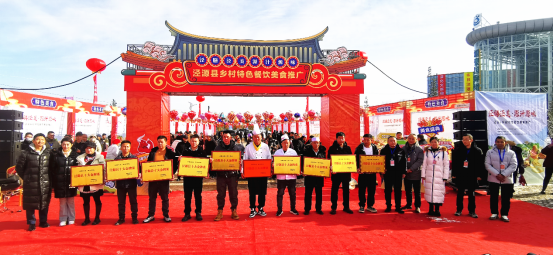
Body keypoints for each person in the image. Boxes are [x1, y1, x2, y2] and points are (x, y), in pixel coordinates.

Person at [15, 133, 52, 231]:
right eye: (38, 139)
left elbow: (52, 168)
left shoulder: (48, 153)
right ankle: (31, 223)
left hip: (45, 182)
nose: (40, 141)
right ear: (34, 141)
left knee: (44, 202)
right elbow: (19, 168)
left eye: (42, 139)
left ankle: (43, 221)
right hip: (31, 183)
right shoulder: (26, 153)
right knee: (30, 204)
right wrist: (27, 177)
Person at [144, 135, 178, 223]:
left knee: (165, 198)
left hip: (164, 179)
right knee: (152, 198)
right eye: (158, 142)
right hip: (153, 179)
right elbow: (148, 163)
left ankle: (166, 215)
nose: (160, 144)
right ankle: (151, 215)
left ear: (166, 143)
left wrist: (172, 174)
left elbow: (174, 165)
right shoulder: (153, 151)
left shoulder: (170, 153)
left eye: (162, 142)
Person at [485, 136, 518, 222]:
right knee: (493, 196)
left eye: (501, 142)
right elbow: (487, 164)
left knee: (506, 197)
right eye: (498, 142)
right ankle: (494, 213)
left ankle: (504, 214)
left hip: (506, 178)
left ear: (505, 143)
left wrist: (503, 174)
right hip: (493, 177)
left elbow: (513, 165)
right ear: (495, 142)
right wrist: (497, 174)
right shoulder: (490, 152)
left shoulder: (511, 153)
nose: (500, 143)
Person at [452, 134, 485, 218]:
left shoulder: (477, 150)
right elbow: (455, 163)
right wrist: (454, 174)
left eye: (466, 139)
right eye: (463, 139)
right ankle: (459, 210)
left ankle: (472, 211)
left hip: (472, 174)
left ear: (471, 140)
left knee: (471, 193)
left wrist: (479, 175)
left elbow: (480, 164)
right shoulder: (458, 150)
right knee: (460, 192)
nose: (464, 141)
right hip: (461, 174)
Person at [212, 130, 242, 221]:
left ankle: (234, 210)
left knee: (233, 194)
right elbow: (215, 160)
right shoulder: (218, 148)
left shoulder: (236, 148)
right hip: (221, 175)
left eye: (227, 137)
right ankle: (220, 211)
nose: (225, 138)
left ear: (231, 137)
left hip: (232, 175)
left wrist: (239, 163)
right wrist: (212, 161)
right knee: (220, 194)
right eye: (224, 137)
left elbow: (239, 160)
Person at [243, 126, 271, 218]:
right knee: (252, 191)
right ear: (252, 137)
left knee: (262, 191)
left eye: (258, 136)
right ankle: (252, 209)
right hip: (252, 174)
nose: (257, 138)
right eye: (255, 137)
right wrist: (243, 171)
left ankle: (261, 207)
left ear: (261, 137)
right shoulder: (248, 147)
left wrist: (270, 170)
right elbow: (245, 159)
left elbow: (269, 159)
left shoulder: (266, 146)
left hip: (263, 174)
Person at [76, 141, 106, 226]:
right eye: (87, 148)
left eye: (90, 148)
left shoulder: (100, 157)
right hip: (85, 183)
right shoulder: (80, 158)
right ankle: (87, 218)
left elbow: (103, 169)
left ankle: (97, 218)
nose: (89, 150)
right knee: (86, 201)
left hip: (96, 183)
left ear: (94, 148)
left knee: (97, 200)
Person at [51, 137, 79, 227]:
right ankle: (63, 219)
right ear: (61, 144)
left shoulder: (75, 156)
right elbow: (53, 169)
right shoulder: (56, 155)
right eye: (63, 144)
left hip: (71, 182)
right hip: (60, 182)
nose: (65, 146)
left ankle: (71, 218)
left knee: (71, 201)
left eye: (67, 144)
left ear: (71, 145)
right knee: (62, 202)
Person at [180, 134, 208, 222]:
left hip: (198, 179)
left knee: (198, 196)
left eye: (195, 141)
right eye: (192, 141)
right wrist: (180, 161)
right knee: (187, 197)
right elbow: (182, 164)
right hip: (187, 178)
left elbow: (205, 165)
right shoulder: (185, 151)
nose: (193, 143)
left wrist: (207, 169)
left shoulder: (202, 152)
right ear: (189, 141)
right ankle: (187, 213)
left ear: (198, 142)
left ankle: (198, 212)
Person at [421, 137, 450, 217]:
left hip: (439, 176)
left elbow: (446, 165)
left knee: (438, 192)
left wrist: (445, 176)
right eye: (432, 142)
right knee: (429, 192)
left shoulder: (443, 153)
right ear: (430, 143)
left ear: (438, 143)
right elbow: (424, 165)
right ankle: (430, 209)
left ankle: (437, 209)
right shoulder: (427, 152)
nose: (434, 143)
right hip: (429, 175)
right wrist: (423, 175)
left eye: (435, 142)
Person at [114, 140, 140, 225]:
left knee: (133, 201)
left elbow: (138, 170)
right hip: (120, 184)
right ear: (121, 148)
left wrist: (138, 174)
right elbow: (113, 172)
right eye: (124, 146)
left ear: (130, 147)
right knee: (121, 203)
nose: (126, 148)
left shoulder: (134, 159)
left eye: (127, 146)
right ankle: (121, 218)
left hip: (131, 184)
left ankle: (134, 218)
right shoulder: (116, 159)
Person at [328, 132, 354, 215]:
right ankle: (333, 207)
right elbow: (329, 159)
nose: (341, 139)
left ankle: (346, 207)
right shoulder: (332, 148)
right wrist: (332, 168)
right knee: (334, 190)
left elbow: (351, 160)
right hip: (336, 174)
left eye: (343, 138)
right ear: (336, 139)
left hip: (346, 173)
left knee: (346, 190)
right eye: (340, 138)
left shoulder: (348, 148)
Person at [274, 134, 299, 216]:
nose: (286, 144)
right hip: (281, 177)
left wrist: (298, 170)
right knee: (280, 193)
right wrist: (273, 165)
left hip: (291, 177)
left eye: (287, 142)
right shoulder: (277, 153)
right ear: (281, 143)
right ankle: (279, 210)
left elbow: (296, 164)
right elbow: (273, 163)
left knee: (292, 193)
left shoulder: (293, 152)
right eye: (284, 143)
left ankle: (293, 208)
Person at [380, 136, 406, 214]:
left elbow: (404, 162)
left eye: (394, 141)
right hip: (387, 173)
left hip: (397, 174)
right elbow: (381, 161)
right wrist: (381, 171)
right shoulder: (384, 150)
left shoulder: (401, 150)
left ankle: (398, 207)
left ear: (396, 141)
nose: (393, 142)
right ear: (388, 142)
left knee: (398, 191)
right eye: (391, 141)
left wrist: (404, 172)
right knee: (388, 191)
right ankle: (388, 206)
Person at [354, 134, 379, 214]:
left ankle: (370, 205)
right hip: (362, 173)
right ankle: (361, 206)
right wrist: (357, 168)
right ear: (363, 140)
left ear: (371, 140)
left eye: (368, 139)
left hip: (372, 173)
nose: (366, 141)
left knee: (372, 190)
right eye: (365, 139)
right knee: (362, 189)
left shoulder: (375, 148)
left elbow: (378, 159)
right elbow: (355, 159)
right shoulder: (359, 148)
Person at [303, 137, 326, 215]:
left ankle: (318, 208)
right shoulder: (306, 152)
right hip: (309, 177)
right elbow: (304, 162)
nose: (316, 144)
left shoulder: (323, 152)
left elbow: (325, 163)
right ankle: (307, 209)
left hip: (319, 177)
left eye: (317, 143)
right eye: (314, 143)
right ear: (311, 143)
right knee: (308, 193)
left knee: (319, 193)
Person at [402, 134, 425, 213]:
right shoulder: (404, 148)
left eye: (413, 139)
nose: (411, 140)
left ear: (416, 140)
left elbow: (420, 161)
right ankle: (408, 204)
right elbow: (401, 159)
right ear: (407, 139)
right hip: (406, 173)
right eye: (409, 138)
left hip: (416, 173)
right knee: (408, 190)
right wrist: (405, 169)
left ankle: (417, 206)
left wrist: (411, 169)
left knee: (417, 191)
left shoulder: (419, 149)